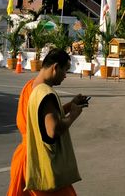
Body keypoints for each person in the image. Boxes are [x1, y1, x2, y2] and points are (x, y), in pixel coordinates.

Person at [8, 49, 85, 196]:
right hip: (39, 162)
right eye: (65, 70)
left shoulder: (30, 86)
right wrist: (73, 115)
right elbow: (52, 130)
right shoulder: (45, 93)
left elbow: (42, 117)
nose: (65, 75)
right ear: (55, 67)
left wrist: (70, 105)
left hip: (24, 158)